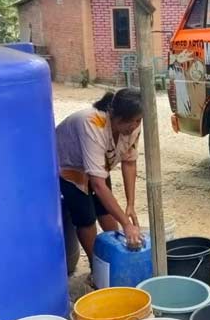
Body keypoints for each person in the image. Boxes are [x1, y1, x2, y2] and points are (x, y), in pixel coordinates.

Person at [56, 88, 144, 276]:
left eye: (139, 120)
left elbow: (129, 162)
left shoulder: (133, 125)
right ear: (116, 116)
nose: (135, 125)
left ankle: (115, 254)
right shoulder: (93, 123)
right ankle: (97, 268)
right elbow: (97, 184)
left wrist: (130, 205)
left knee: (105, 210)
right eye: (132, 120)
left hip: (97, 166)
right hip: (69, 167)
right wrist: (127, 225)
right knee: (86, 218)